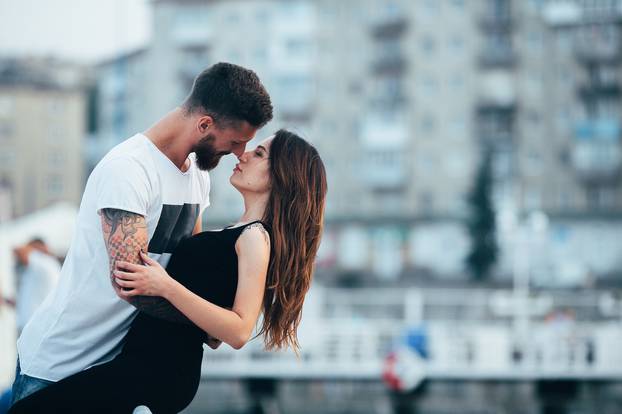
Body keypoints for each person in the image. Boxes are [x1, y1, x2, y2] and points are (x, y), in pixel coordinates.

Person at [9, 62, 273, 409]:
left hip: (116, 373)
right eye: (237, 141)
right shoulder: (129, 170)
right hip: (60, 365)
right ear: (204, 124)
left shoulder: (197, 176)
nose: (239, 153)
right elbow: (132, 288)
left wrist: (216, 315)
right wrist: (214, 325)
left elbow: (186, 268)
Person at [9, 129, 328, 413]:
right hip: (140, 364)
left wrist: (164, 286)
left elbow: (240, 331)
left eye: (259, 154)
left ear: (281, 176)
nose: (244, 154)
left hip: (158, 374)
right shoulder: (236, 230)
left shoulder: (256, 238)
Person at [13, 238, 61, 336]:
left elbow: (17, 250)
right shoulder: (36, 270)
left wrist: (32, 248)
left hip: (34, 330)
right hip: (28, 329)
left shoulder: (45, 263)